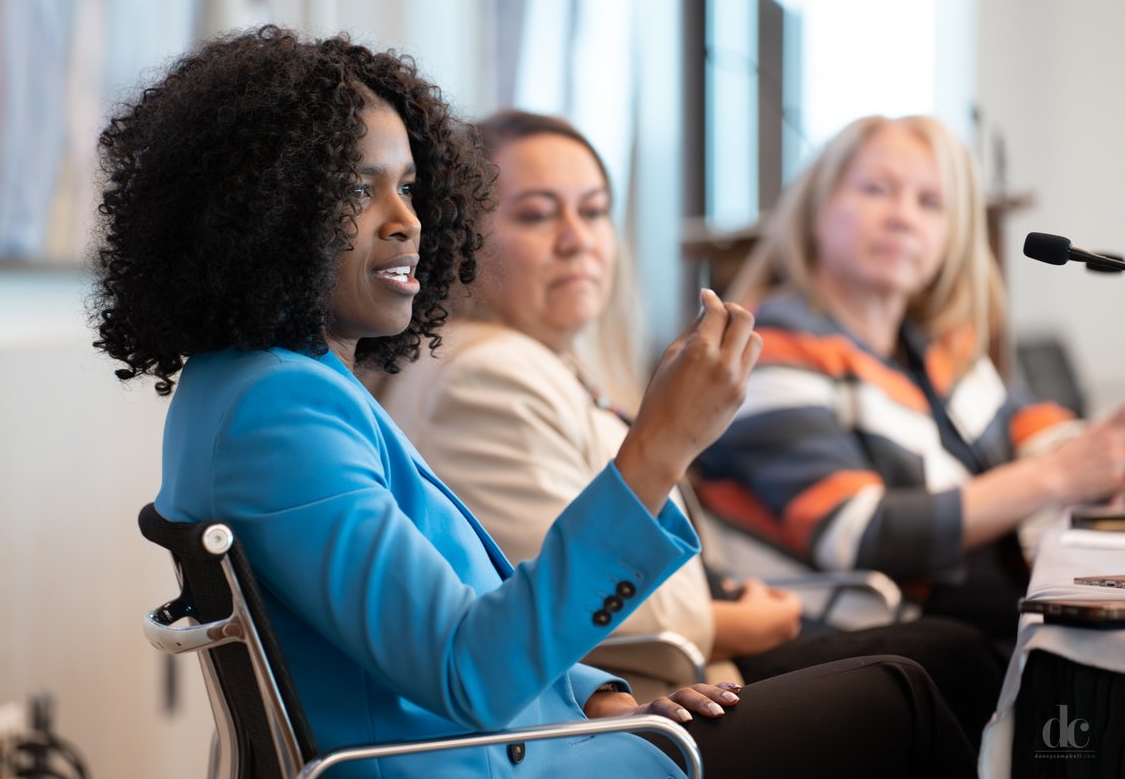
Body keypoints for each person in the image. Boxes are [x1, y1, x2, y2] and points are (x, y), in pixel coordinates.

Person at [91, 28, 976, 778]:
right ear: (261, 211)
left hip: (539, 732)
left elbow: (455, 611)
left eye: (410, 185)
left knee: (910, 677)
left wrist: (601, 691)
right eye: (359, 190)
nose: (408, 220)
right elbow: (466, 671)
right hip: (500, 758)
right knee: (903, 693)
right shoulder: (277, 412)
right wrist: (658, 449)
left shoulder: (274, 387)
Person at [375, 109, 1006, 748]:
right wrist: (733, 618)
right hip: (625, 702)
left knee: (951, 651)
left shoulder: (536, 359)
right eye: (538, 215)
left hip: (667, 676)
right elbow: (561, 600)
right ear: (457, 233)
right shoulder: (482, 373)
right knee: (940, 666)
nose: (577, 239)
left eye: (593, 212)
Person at [692, 114, 1125, 642]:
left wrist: (1102, 452)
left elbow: (1028, 428)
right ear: (816, 210)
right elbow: (857, 531)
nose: (902, 217)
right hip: (835, 639)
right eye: (877, 190)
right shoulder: (769, 345)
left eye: (930, 202)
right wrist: (1059, 475)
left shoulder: (936, 346)